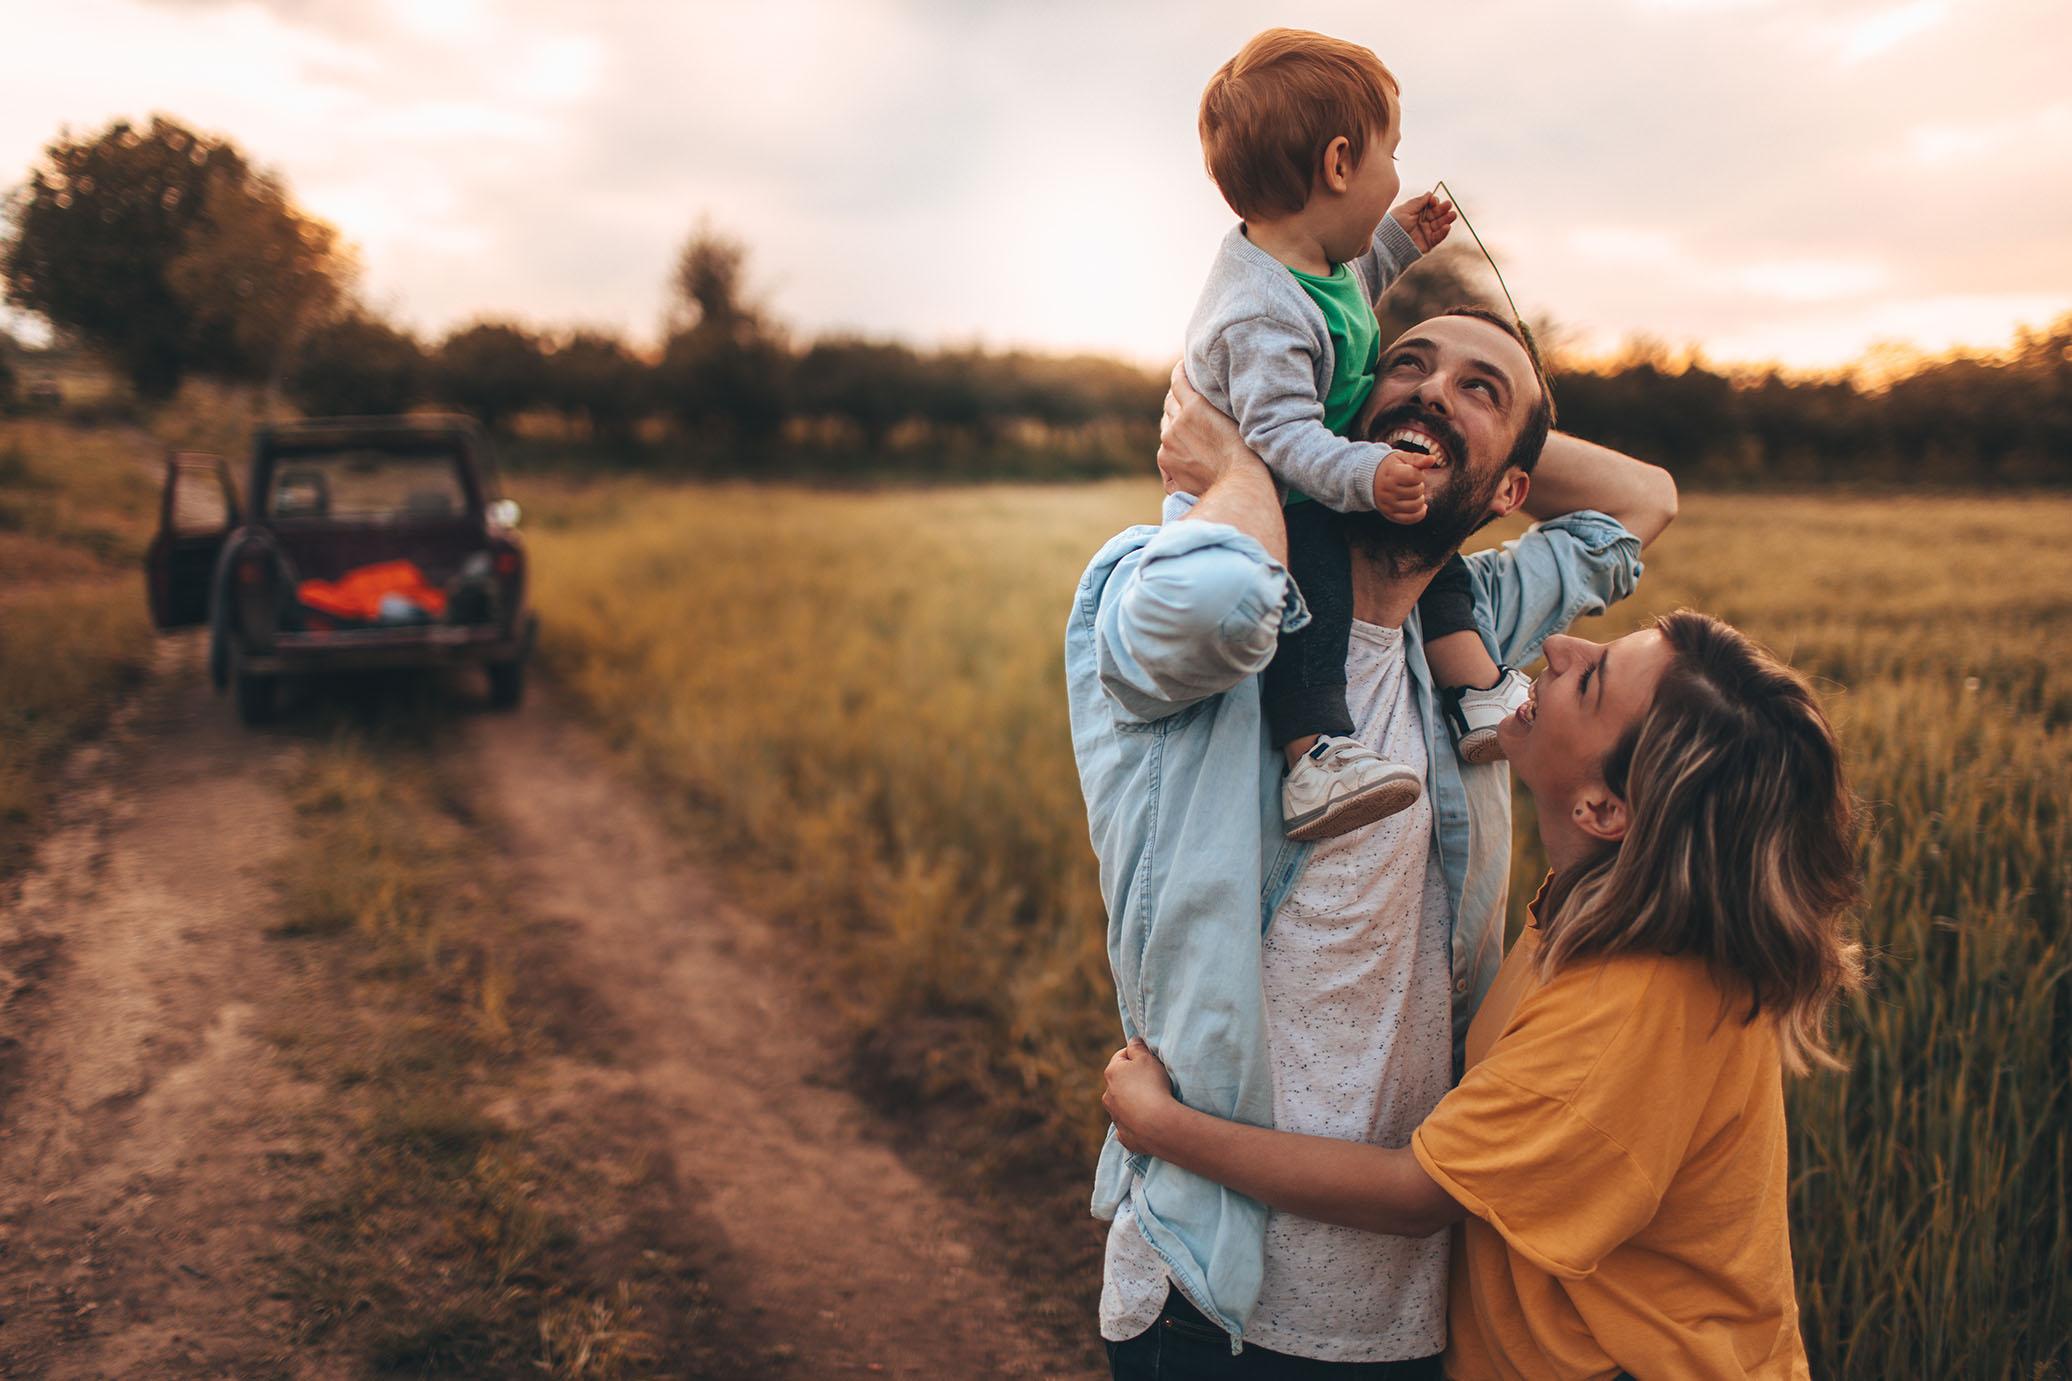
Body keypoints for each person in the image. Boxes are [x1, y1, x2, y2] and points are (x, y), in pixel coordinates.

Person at [1064, 306, 1677, 1372]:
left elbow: (1640, 501)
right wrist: (1264, 442)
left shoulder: (1468, 636)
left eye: (1475, 386)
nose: (1433, 389)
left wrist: (1474, 436)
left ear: (1510, 498)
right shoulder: (1165, 586)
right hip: (1216, 1301)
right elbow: (1218, 596)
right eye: (1406, 365)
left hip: (1411, 1309)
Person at [1102, 609, 1866, 1380]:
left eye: (1591, 679)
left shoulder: (1631, 1004)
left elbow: (1414, 1193)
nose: (1559, 647)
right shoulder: (1599, 913)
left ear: (1604, 809)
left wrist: (1163, 1125)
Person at [1184, 29, 1525, 844]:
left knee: (1428, 544)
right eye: (1391, 153)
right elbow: (1279, 434)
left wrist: (1401, 238)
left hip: (1324, 468)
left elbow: (1351, 292)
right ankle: (1316, 755)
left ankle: (1474, 690)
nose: (1397, 172)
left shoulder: (1313, 264)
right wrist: (1366, 472)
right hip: (1270, 499)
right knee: (1317, 600)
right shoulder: (1260, 311)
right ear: (1340, 165)